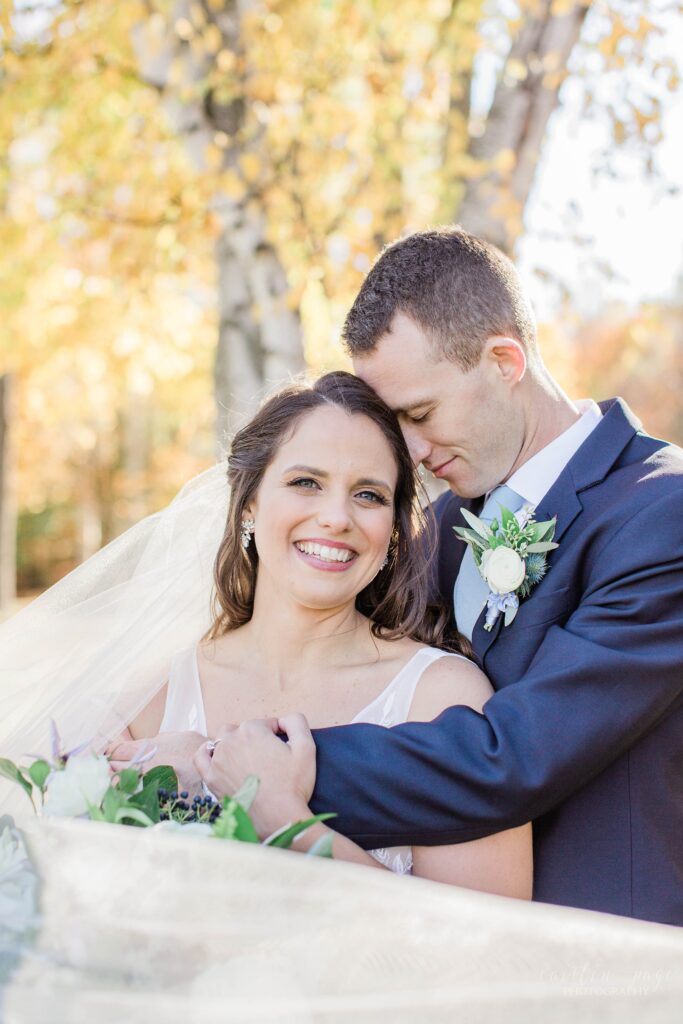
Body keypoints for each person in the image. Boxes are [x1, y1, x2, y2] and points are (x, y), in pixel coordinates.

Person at [200, 228, 683, 926]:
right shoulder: (439, 527)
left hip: (613, 955)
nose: (414, 453)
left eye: (419, 415)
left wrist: (253, 766)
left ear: (503, 359)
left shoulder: (659, 515)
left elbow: (515, 756)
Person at [107, 371, 532, 897]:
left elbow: (493, 943)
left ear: (393, 530)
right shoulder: (150, 699)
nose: (336, 518)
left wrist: (289, 823)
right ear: (249, 503)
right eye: (305, 482)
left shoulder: (442, 700)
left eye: (369, 495)